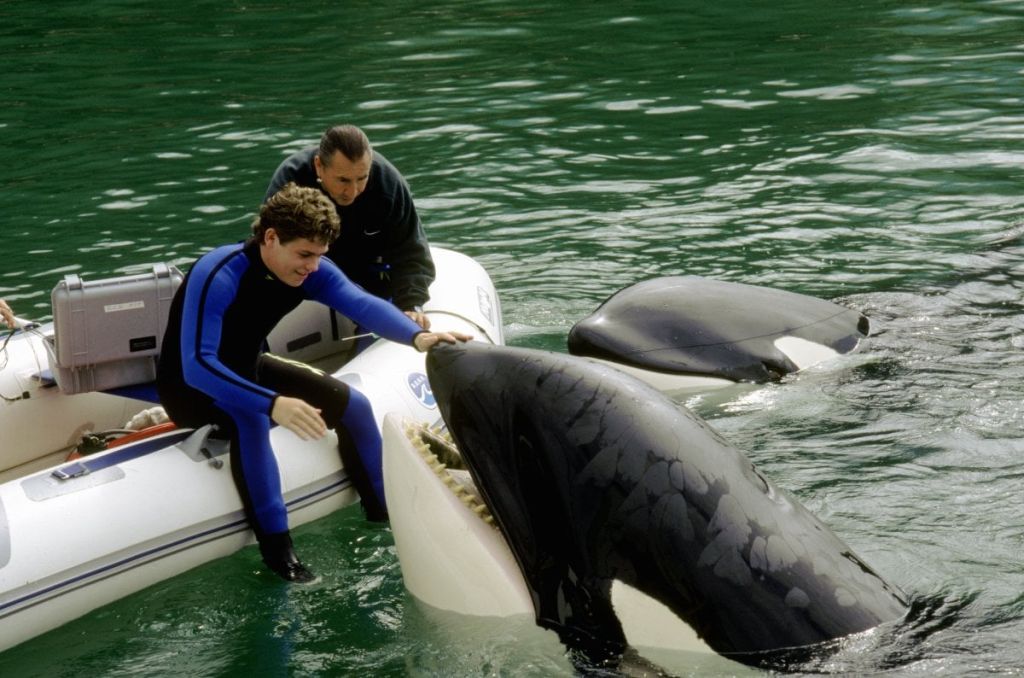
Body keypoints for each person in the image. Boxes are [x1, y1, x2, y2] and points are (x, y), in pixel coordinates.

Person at [157, 182, 470, 583]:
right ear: (271, 238)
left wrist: (418, 337)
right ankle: (281, 556)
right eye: (304, 254)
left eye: (320, 255)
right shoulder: (220, 273)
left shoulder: (310, 270)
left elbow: (360, 303)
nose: (312, 266)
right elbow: (197, 365)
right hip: (193, 388)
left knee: (353, 404)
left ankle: (384, 517)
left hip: (249, 366)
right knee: (251, 418)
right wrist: (273, 404)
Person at [264, 124, 435, 330]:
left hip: (369, 274)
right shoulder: (290, 182)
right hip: (306, 272)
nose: (353, 192)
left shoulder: (388, 184)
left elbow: (411, 252)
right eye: (343, 180)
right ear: (319, 166)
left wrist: (411, 303)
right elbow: (268, 249)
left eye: (362, 178)